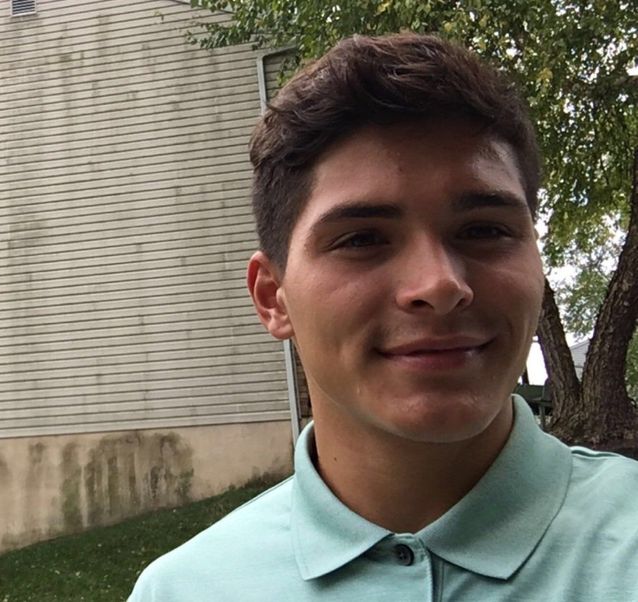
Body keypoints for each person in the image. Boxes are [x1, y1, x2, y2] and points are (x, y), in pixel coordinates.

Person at [128, 33, 638, 601]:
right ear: (273, 297)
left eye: (485, 230)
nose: (440, 284)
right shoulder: (185, 591)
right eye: (362, 238)